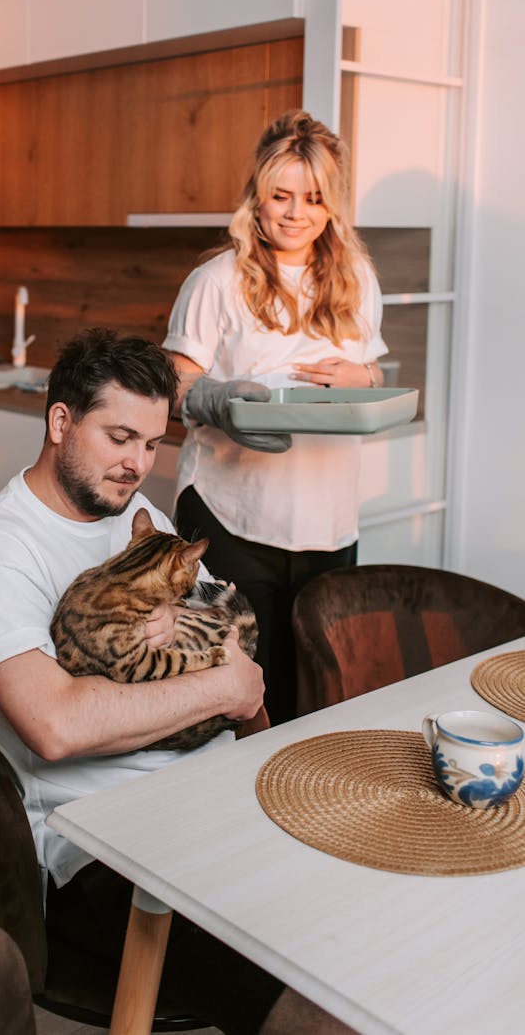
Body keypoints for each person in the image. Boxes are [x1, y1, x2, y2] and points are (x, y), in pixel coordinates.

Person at [0, 327, 355, 1035]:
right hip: (107, 849)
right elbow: (58, 722)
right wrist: (224, 690)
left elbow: (237, 639)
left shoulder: (143, 522)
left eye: (152, 443)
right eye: (119, 436)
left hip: (217, 796)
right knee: (318, 1004)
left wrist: (264, 742)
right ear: (60, 420)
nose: (137, 463)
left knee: (375, 920)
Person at [163, 110, 388, 725]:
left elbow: (376, 376)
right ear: (256, 201)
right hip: (230, 518)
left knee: (315, 690)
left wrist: (364, 377)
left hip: (328, 522)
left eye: (313, 198)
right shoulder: (216, 280)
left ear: (331, 205)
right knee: (230, 693)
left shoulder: (356, 281)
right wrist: (218, 401)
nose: (295, 213)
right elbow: (174, 381)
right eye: (280, 196)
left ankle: (294, 805)